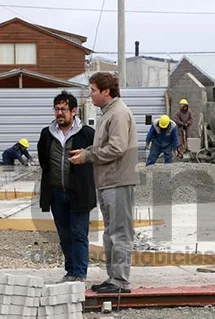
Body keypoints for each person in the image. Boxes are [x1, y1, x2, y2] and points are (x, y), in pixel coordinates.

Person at [69, 72, 139, 294]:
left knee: (119, 233)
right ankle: (114, 278)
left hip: (118, 181)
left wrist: (88, 157)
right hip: (109, 181)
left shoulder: (118, 113)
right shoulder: (108, 113)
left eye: (93, 90)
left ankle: (120, 281)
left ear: (106, 91)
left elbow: (117, 148)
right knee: (111, 233)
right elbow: (107, 146)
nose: (90, 95)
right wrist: (87, 151)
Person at [38, 90, 96, 282]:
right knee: (64, 235)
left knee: (79, 234)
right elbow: (43, 160)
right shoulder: (47, 133)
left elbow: (97, 157)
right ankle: (70, 271)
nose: (59, 113)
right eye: (57, 109)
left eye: (64, 109)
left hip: (79, 193)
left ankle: (80, 273)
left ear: (74, 111)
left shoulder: (87, 134)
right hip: (56, 193)